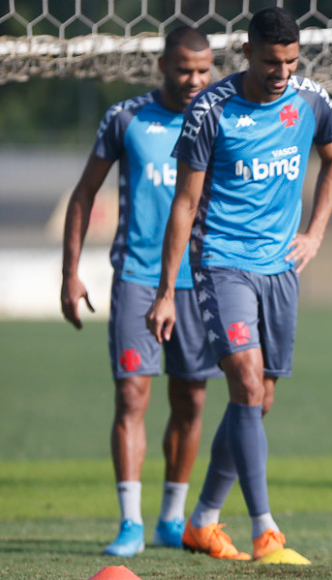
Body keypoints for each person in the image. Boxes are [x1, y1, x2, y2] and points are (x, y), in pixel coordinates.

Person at [145, 6, 332, 562]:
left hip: (280, 269)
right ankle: (265, 531)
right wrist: (167, 289)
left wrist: (315, 233)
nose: (281, 72)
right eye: (270, 62)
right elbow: (184, 204)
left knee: (258, 402)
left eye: (290, 61)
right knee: (248, 387)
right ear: (246, 54)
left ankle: (203, 521)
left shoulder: (309, 100)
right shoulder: (211, 109)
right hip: (222, 265)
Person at [60, 27, 217, 557]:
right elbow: (85, 192)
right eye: (183, 70)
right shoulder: (125, 118)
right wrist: (71, 271)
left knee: (190, 397)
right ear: (162, 67)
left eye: (203, 71)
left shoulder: (221, 118)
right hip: (136, 279)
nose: (194, 80)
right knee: (132, 394)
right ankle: (130, 522)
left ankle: (171, 519)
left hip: (199, 281)